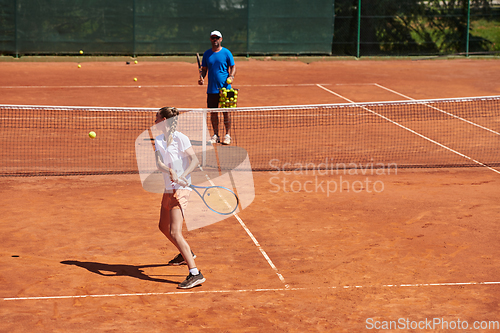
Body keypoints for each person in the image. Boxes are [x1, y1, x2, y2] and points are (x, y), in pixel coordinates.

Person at [154, 106, 206, 289]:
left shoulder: (181, 138)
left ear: (164, 121)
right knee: (163, 227)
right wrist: (168, 170)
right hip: (169, 188)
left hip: (181, 190)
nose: (154, 121)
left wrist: (183, 174)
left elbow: (194, 161)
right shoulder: (158, 140)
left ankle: (195, 273)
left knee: (175, 232)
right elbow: (159, 162)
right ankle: (186, 253)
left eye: (157, 117)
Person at [198, 30, 236, 145]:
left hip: (225, 89)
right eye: (213, 38)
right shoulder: (207, 54)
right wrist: (201, 77)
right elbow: (204, 70)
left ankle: (228, 135)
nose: (215, 40)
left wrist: (232, 76)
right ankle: (215, 135)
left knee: (226, 112)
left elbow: (233, 67)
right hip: (211, 89)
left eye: (217, 38)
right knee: (213, 112)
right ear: (210, 39)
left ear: (221, 39)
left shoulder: (226, 52)